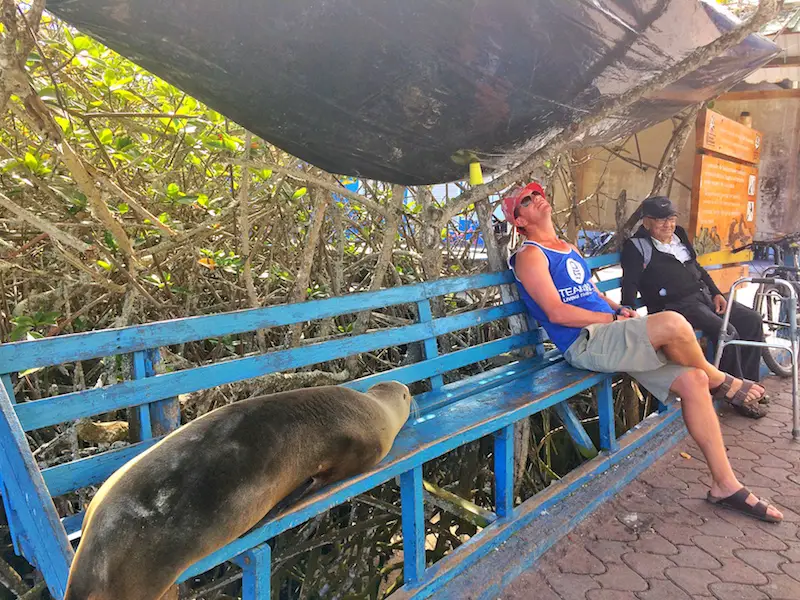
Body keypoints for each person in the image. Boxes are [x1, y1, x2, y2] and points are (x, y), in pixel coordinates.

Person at [502, 182, 781, 523]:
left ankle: (725, 484)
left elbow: (591, 294)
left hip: (610, 332)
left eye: (538, 193)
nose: (538, 199)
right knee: (675, 324)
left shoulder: (567, 247)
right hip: (586, 342)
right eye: (527, 201)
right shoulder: (530, 255)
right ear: (520, 221)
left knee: (693, 380)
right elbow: (556, 312)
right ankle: (723, 380)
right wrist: (611, 317)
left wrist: (619, 309)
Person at [620, 196, 767, 419]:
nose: (667, 225)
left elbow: (696, 267)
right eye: (660, 220)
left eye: (670, 218)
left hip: (703, 296)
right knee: (726, 332)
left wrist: (716, 292)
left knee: (751, 320)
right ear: (646, 221)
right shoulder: (636, 246)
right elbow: (629, 281)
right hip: (675, 306)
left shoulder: (678, 234)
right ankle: (734, 394)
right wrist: (627, 307)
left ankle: (750, 384)